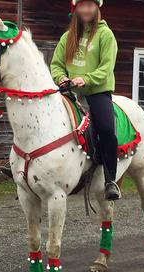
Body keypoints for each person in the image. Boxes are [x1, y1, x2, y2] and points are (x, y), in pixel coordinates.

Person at [51, 0, 121, 200]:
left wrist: (87, 78)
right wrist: (61, 77)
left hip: (97, 91)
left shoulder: (105, 35)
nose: (86, 10)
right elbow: (56, 64)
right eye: (82, 5)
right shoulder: (67, 37)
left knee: (107, 129)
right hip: (70, 91)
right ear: (75, 8)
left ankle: (110, 180)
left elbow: (107, 67)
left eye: (90, 5)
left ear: (97, 7)